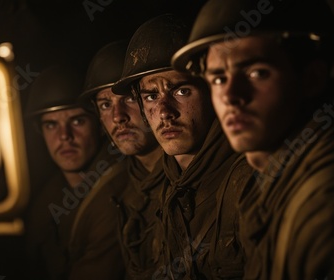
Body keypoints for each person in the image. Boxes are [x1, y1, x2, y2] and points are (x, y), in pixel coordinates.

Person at [172, 0, 334, 279]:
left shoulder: (333, 213)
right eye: (218, 79)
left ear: (311, 79)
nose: (230, 96)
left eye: (257, 73)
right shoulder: (271, 180)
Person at [112, 14, 254, 279]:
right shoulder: (166, 190)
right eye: (152, 96)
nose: (165, 112)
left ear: (213, 93)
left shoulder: (247, 180)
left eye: (181, 91)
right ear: (142, 109)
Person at [24, 64, 125, 280]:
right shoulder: (48, 198)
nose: (64, 136)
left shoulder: (116, 192)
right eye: (51, 125)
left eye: (77, 121)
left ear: (100, 124)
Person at [79, 40, 165, 279]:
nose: (118, 117)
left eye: (128, 99)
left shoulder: (191, 174)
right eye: (106, 105)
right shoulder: (115, 191)